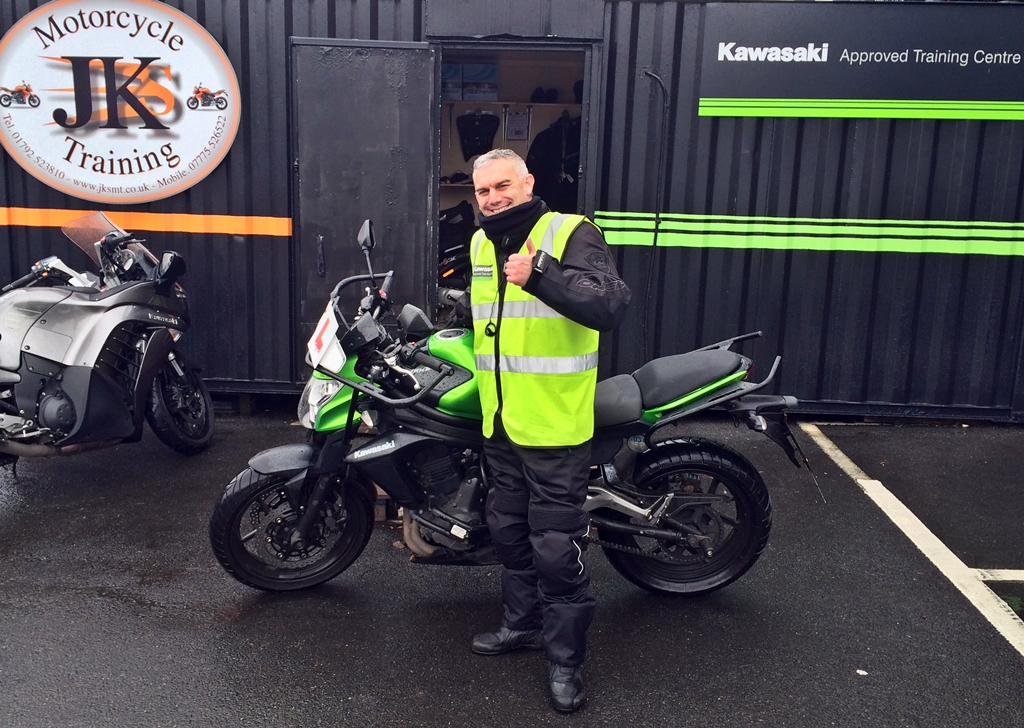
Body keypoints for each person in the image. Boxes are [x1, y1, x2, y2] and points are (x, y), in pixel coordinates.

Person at [465, 149, 631, 713]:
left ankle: (565, 662)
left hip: (555, 426)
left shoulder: (569, 232)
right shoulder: (481, 243)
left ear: (528, 182)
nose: (492, 199)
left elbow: (610, 304)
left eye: (502, 186)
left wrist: (540, 274)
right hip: (502, 422)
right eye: (483, 191)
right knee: (508, 533)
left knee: (556, 549)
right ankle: (522, 625)